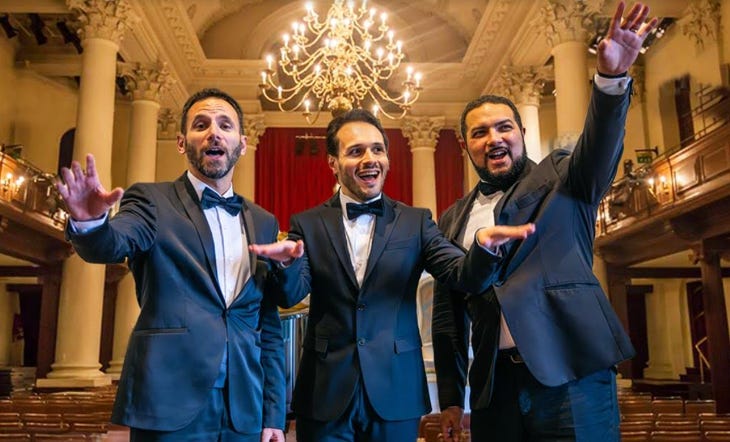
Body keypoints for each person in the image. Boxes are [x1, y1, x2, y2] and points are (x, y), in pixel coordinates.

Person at [432, 2, 658, 441]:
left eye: (503, 128)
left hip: (571, 371)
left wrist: (611, 81)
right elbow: (448, 314)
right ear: (466, 146)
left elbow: (598, 150)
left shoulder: (561, 177)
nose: (493, 138)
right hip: (493, 388)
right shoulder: (452, 218)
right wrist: (451, 397)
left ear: (519, 133)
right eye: (480, 133)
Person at [251, 109, 534, 442]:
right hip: (324, 391)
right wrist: (286, 266)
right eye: (356, 151)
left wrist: (483, 250)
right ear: (332, 163)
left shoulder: (415, 222)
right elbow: (290, 295)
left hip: (396, 390)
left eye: (377, 149)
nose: (370, 159)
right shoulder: (307, 223)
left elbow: (461, 275)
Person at [55, 88, 303, 441]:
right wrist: (91, 223)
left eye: (224, 125)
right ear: (182, 142)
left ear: (242, 143)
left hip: (244, 407)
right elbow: (113, 243)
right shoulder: (151, 201)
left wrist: (274, 413)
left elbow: (268, 325)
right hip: (168, 401)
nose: (213, 132)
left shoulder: (263, 221)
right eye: (200, 125)